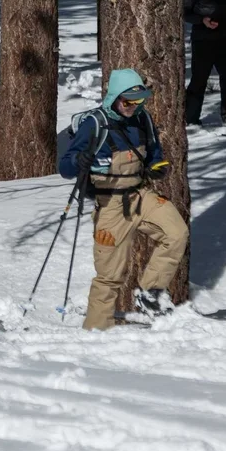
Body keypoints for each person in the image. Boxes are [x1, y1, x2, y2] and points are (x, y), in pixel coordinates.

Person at [58, 69, 189, 331]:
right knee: (109, 277)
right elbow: (65, 167)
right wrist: (78, 161)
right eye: (128, 102)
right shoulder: (95, 124)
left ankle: (150, 293)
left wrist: (157, 166)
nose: (133, 107)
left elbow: (153, 153)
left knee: (177, 232)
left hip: (140, 194)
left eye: (138, 101)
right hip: (110, 206)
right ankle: (95, 333)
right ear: (114, 98)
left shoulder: (143, 120)